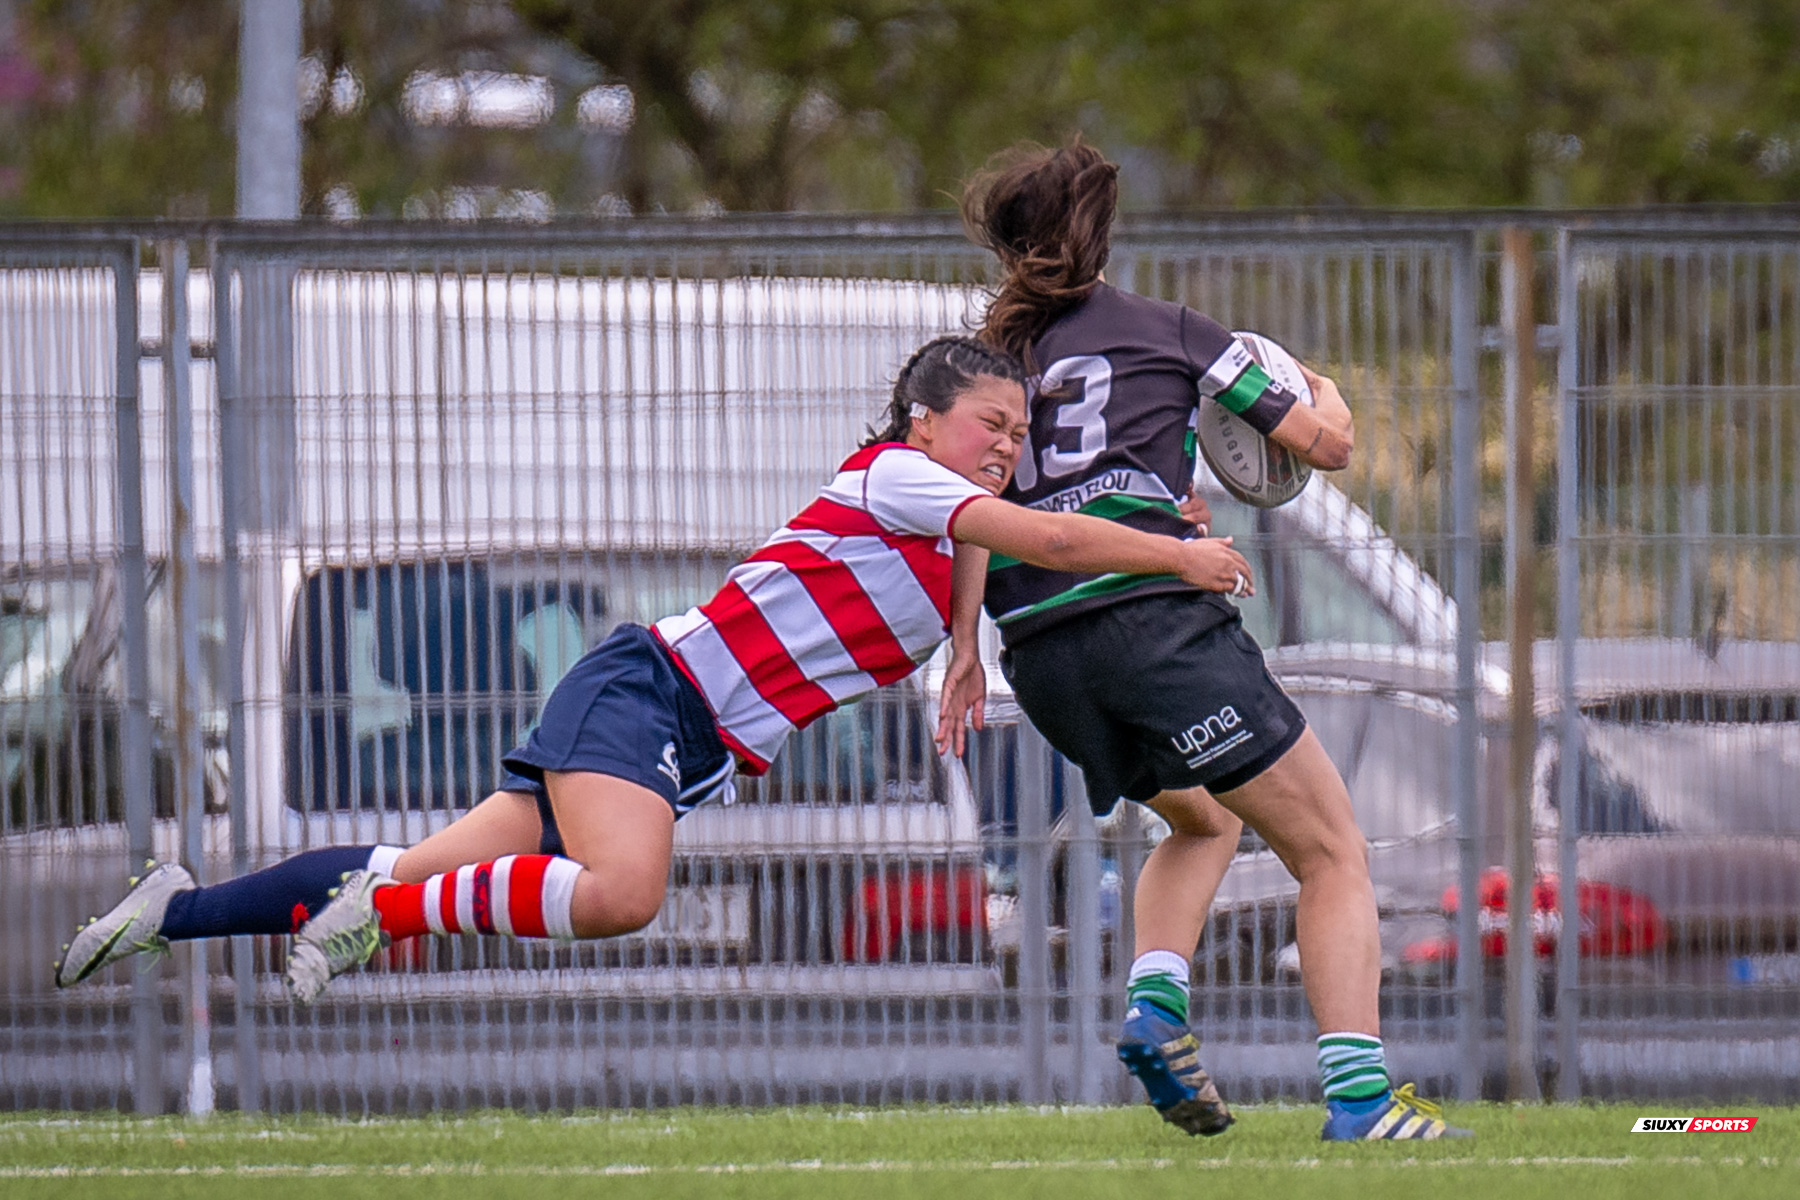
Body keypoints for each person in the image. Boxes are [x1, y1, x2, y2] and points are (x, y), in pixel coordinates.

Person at [55, 335, 1254, 1012]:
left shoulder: (951, 513)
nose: (1008, 446)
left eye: (1019, 432)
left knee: (414, 860)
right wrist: (1181, 554)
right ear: (921, 419)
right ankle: (391, 917)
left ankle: (179, 908)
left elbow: (990, 545)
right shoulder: (896, 475)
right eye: (989, 424)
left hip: (685, 733)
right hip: (651, 690)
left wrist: (955, 653)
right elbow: (1042, 538)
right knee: (622, 891)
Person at [958, 139, 1468, 1141]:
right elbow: (1324, 447)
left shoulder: (991, 371)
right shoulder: (1179, 332)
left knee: (1202, 819)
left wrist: (966, 649)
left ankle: (1156, 1005)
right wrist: (1317, 385)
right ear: (1099, 234)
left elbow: (966, 511)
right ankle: (1363, 1100)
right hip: (1156, 628)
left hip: (1041, 655)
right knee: (1332, 854)